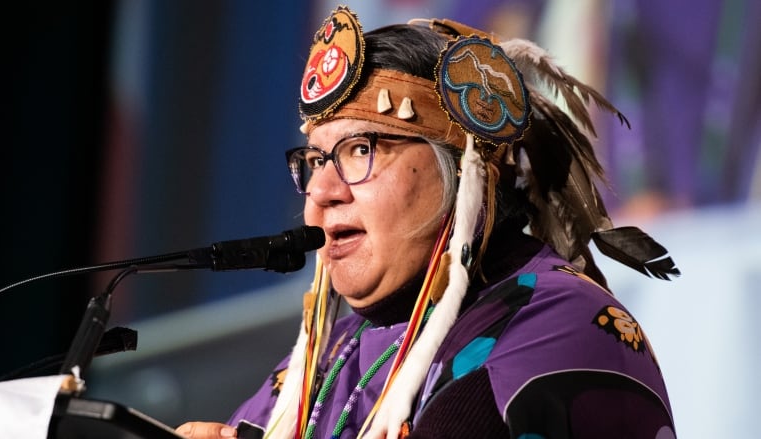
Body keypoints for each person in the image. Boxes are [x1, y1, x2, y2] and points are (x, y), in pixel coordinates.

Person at [176, 6, 680, 439]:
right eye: (314, 160)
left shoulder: (556, 322)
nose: (321, 194)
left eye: (361, 149)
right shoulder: (329, 356)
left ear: (464, 172)